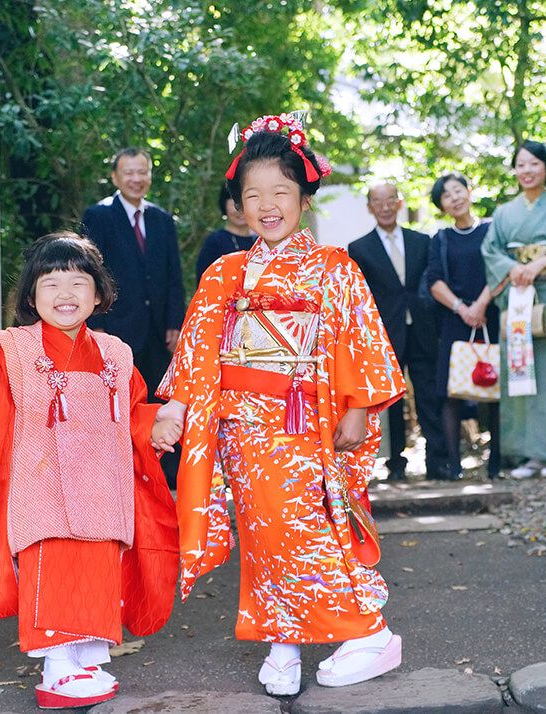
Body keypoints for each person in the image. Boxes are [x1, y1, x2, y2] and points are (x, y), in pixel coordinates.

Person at [155, 113, 407, 697]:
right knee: (263, 533)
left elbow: (358, 340)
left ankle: (368, 630)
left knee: (301, 529)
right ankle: (283, 640)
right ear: (238, 205)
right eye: (253, 195)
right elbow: (198, 353)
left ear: (304, 196)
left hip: (303, 424)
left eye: (280, 193)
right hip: (239, 426)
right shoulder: (226, 273)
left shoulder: (334, 269)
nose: (267, 206)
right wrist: (175, 409)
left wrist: (358, 408)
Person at [0, 233, 181, 710]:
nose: (66, 294)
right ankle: (56, 669)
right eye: (51, 282)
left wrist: (159, 426)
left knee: (97, 571)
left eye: (79, 282)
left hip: (103, 486)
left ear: (99, 294)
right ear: (30, 296)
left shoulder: (116, 353)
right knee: (56, 569)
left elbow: (135, 412)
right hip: (43, 487)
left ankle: (84, 659)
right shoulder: (13, 348)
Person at [482, 142, 546, 478]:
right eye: (521, 165)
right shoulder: (503, 213)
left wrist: (543, 262)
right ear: (514, 170)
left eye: (534, 164)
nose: (527, 171)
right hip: (517, 295)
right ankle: (529, 455)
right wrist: (513, 270)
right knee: (520, 371)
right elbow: (491, 251)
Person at [348, 183, 446, 481]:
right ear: (369, 208)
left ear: (399, 203)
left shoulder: (421, 241)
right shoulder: (359, 248)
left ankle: (437, 458)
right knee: (390, 397)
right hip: (384, 331)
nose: (385, 206)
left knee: (428, 391)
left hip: (422, 327)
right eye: (378, 201)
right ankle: (395, 461)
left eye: (390, 200)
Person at [82, 148, 185, 400]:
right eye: (129, 173)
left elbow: (174, 274)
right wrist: (96, 324)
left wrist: (175, 321)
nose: (136, 179)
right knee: (119, 400)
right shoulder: (99, 215)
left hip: (158, 330)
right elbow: (90, 273)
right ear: (115, 177)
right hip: (116, 327)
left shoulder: (162, 219)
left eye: (142, 172)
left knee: (157, 401)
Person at [424, 172, 501, 480]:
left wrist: (480, 306)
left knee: (495, 389)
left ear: (470, 191)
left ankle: (496, 462)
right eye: (446, 195)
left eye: (458, 190)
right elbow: (435, 282)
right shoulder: (441, 238)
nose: (454, 197)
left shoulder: (491, 230)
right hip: (455, 321)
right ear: (441, 205)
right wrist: (463, 308)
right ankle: (455, 465)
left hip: (490, 314)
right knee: (450, 392)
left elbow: (499, 270)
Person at [195, 182, 256, 282]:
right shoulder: (214, 243)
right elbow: (204, 284)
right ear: (224, 205)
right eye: (235, 204)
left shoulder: (264, 241)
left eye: (245, 203)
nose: (240, 210)